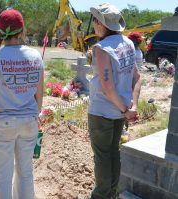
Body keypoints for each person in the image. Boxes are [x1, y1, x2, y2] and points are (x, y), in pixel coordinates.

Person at [0, 8, 44, 199]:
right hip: (29, 121)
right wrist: (35, 116)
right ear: (22, 31)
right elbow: (39, 95)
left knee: (4, 176)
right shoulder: (35, 56)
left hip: (3, 123)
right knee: (25, 173)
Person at [88, 3, 141, 199]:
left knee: (102, 157)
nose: (94, 24)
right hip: (120, 112)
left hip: (102, 113)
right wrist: (131, 107)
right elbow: (137, 76)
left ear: (102, 24)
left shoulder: (102, 49)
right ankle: (111, 193)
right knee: (113, 153)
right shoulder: (127, 43)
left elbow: (108, 88)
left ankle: (101, 195)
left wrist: (126, 111)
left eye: (95, 20)